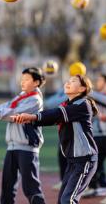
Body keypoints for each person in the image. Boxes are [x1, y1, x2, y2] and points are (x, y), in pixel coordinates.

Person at [11, 75, 99, 204]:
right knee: (62, 200)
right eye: (68, 80)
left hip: (85, 160)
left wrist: (32, 117)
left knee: (68, 200)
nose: (68, 82)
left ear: (82, 89)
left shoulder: (82, 104)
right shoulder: (68, 105)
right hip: (72, 161)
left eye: (73, 81)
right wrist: (30, 119)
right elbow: (53, 117)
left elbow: (56, 114)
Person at [0, 67, 46, 204]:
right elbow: (7, 105)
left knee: (31, 189)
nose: (22, 82)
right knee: (7, 188)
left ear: (36, 82)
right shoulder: (22, 96)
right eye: (22, 79)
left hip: (27, 148)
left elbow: (15, 113)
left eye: (27, 79)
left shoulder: (35, 100)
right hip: (12, 148)